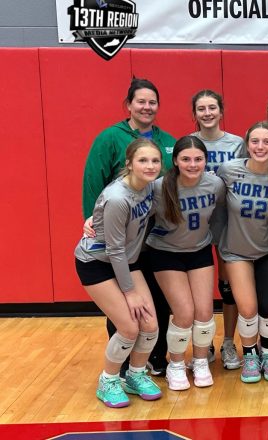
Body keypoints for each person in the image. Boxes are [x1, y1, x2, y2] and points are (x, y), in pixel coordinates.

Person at [82, 78, 176, 377]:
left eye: (152, 102)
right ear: (129, 105)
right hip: (113, 247)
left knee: (153, 308)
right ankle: (118, 369)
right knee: (126, 312)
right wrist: (93, 217)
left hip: (147, 243)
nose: (147, 107)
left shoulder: (166, 143)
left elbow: (169, 190)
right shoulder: (110, 139)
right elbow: (93, 181)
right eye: (141, 101)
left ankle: (152, 360)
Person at [75, 139, 164, 408]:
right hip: (97, 262)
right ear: (129, 164)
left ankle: (135, 375)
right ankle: (109, 380)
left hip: (128, 260)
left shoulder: (150, 187)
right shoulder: (117, 198)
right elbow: (114, 250)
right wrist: (130, 292)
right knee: (128, 327)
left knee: (150, 325)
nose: (150, 166)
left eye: (155, 161)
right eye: (143, 160)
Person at [146, 136, 225, 390]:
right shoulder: (159, 187)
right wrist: (95, 219)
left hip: (199, 250)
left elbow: (222, 214)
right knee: (184, 313)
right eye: (186, 159)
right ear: (175, 161)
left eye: (198, 159)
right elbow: (130, 207)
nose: (193, 164)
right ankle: (176, 364)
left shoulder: (215, 184)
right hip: (166, 252)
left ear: (206, 161)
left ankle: (200, 361)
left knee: (204, 313)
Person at [216, 122, 268, 384]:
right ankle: (249, 356)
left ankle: (267, 355)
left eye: (267, 142)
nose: (260, 147)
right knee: (248, 309)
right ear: (247, 145)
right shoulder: (228, 171)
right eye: (255, 141)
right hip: (236, 252)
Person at [190, 89, 246, 371]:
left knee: (228, 285)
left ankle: (228, 342)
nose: (207, 113)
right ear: (194, 114)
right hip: (196, 221)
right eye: (201, 109)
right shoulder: (188, 143)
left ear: (221, 112)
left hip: (227, 221)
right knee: (198, 287)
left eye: (212, 108)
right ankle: (204, 342)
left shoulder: (237, 144)